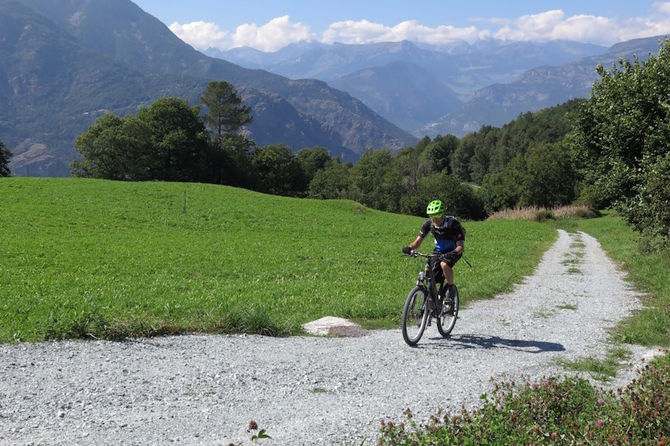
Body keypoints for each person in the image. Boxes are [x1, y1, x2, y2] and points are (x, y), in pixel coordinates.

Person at [402, 199, 465, 310]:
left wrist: (452, 253)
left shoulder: (453, 223)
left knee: (444, 265)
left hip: (453, 250)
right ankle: (430, 308)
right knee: (432, 279)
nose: (435, 220)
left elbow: (460, 246)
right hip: (438, 251)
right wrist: (409, 248)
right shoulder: (428, 224)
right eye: (432, 217)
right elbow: (418, 241)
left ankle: (451, 289)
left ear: (442, 215)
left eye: (437, 216)